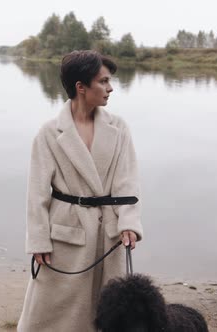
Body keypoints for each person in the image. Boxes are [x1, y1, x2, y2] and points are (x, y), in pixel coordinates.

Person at [17, 50, 143, 332]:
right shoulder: (49, 133)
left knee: (109, 308)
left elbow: (127, 182)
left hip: (109, 233)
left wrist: (129, 223)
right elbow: (36, 193)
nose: (111, 88)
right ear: (81, 87)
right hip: (66, 231)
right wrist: (38, 239)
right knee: (52, 308)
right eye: (104, 81)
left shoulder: (119, 128)